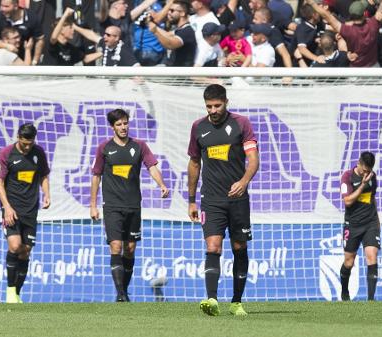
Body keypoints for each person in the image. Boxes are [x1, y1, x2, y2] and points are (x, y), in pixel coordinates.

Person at [187, 84, 259, 317]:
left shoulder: (241, 124)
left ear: (226, 102)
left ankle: (236, 302)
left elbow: (253, 158)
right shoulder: (198, 127)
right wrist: (191, 200)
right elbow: (194, 164)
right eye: (209, 106)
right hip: (211, 199)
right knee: (213, 246)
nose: (213, 110)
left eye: (217, 105)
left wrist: (244, 181)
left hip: (238, 199)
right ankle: (212, 300)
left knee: (239, 247)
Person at [90, 108, 169, 302]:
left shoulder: (139, 146)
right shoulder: (104, 148)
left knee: (130, 248)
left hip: (133, 205)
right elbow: (96, 176)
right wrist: (93, 204)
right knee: (116, 246)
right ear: (112, 127)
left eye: (125, 123)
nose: (123, 127)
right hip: (112, 206)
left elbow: (152, 166)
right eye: (119, 124)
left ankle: (124, 291)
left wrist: (162, 184)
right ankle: (120, 294)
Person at [0, 123, 51, 303]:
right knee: (15, 246)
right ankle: (10, 292)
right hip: (11, 208)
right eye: (25, 143)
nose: (27, 147)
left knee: (25, 251)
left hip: (30, 209)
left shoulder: (38, 153)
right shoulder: (6, 153)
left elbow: (43, 175)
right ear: (18, 137)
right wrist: (7, 207)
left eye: (30, 143)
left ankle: (17, 293)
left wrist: (47, 194)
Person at [339, 151, 380, 301]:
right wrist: (362, 185)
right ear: (359, 164)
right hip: (353, 225)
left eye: (369, 171)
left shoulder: (372, 177)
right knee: (349, 262)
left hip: (370, 223)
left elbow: (372, 199)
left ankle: (371, 300)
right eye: (364, 171)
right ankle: (344, 293)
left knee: (372, 256)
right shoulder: (347, 177)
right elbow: (348, 201)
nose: (366, 174)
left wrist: (377, 223)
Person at [0, 0, 44, 65]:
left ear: (16, 6)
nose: (2, 9)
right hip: (7, 59)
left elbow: (40, 40)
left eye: (6, 6)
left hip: (27, 59)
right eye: (1, 6)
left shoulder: (31, 17)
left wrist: (35, 61)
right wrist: (6, 46)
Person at [147, 0, 197, 66]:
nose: (169, 13)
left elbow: (170, 44)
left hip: (181, 74)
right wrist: (151, 23)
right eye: (169, 10)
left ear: (182, 13)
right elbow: (167, 35)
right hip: (173, 70)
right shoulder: (180, 29)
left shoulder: (187, 31)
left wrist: (155, 31)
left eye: (172, 10)